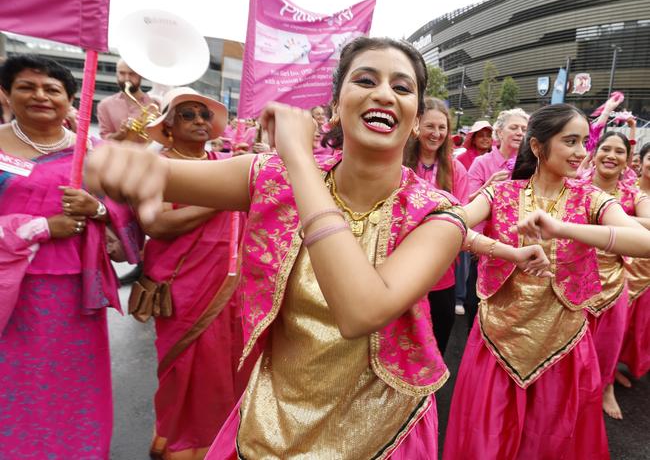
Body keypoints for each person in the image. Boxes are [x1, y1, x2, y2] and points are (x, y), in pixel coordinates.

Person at [85, 37, 549, 459]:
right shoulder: (272, 176)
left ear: (413, 120)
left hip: (382, 433)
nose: (384, 93)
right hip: (270, 423)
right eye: (365, 80)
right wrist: (118, 162)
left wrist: (298, 161)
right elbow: (156, 173)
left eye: (402, 88)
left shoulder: (437, 214)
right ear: (335, 105)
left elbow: (360, 311)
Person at [443, 103, 650, 460]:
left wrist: (564, 228)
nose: (582, 152)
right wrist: (508, 253)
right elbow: (449, 225)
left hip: (564, 345)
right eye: (570, 141)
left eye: (584, 141)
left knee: (553, 441)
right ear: (538, 147)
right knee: (487, 439)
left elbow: (645, 242)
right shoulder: (502, 193)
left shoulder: (591, 199)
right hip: (498, 340)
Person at [0, 54, 141, 458]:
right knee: (15, 382)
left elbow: (124, 209)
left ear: (70, 98)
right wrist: (43, 227)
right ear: (6, 94)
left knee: (74, 381)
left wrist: (95, 209)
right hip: (12, 293)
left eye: (52, 89)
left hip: (75, 291)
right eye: (27, 87)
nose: (40, 96)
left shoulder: (92, 151)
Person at [138, 87, 250, 459]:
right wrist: (221, 197)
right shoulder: (157, 165)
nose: (201, 121)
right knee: (186, 371)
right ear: (167, 125)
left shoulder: (225, 162)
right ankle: (179, 441)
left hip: (232, 289)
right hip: (183, 292)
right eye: (188, 115)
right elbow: (157, 223)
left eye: (205, 115)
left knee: (225, 372)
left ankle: (218, 444)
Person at [584, 132, 650, 420]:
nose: (611, 155)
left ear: (627, 161)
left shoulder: (635, 194)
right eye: (606, 149)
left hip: (613, 281)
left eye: (619, 152)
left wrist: (610, 214)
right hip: (573, 279)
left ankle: (607, 387)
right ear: (595, 154)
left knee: (609, 344)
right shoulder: (576, 185)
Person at [403, 97, 468, 354]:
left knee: (437, 344)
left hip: (442, 274)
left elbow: (461, 217)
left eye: (442, 128)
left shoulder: (455, 169)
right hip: (401, 270)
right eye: (430, 126)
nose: (437, 133)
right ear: (416, 125)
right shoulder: (398, 162)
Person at [463, 108, 529, 328]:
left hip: (519, 247)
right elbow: (466, 204)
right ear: (499, 133)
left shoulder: (531, 166)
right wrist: (488, 185)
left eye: (524, 129)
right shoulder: (482, 163)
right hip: (485, 247)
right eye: (514, 127)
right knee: (477, 303)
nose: (520, 132)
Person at [618, 142, 650, 386]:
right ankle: (608, 373)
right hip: (625, 267)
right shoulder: (627, 189)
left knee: (641, 325)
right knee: (620, 324)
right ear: (640, 160)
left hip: (647, 269)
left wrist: (622, 218)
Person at [96, 58, 158, 142]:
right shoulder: (104, 105)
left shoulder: (155, 104)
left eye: (132, 74)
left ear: (140, 75)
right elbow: (104, 139)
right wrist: (119, 135)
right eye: (122, 73)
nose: (127, 79)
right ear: (116, 74)